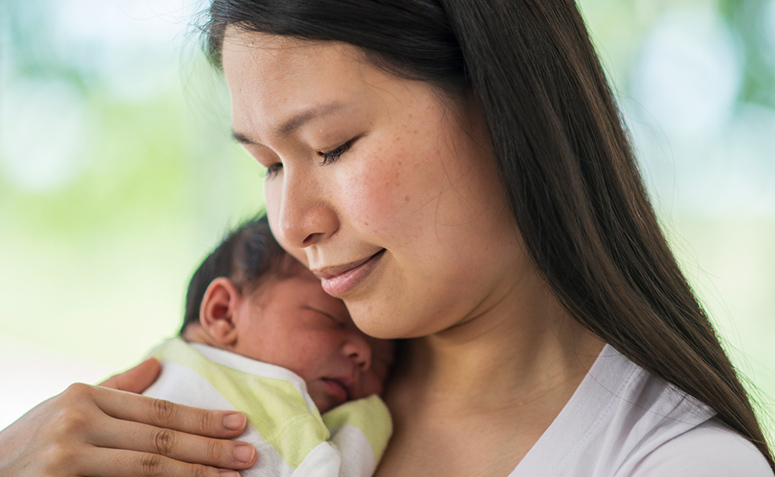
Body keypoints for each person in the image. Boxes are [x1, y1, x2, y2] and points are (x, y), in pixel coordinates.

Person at [1, 1, 774, 476]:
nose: (293, 223)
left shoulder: (674, 464)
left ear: (505, 104)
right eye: (268, 164)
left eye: (331, 146)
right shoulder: (263, 377)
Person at [142, 215, 393, 476]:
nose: (364, 355)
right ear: (223, 313)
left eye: (382, 363)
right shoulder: (138, 387)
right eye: (331, 319)